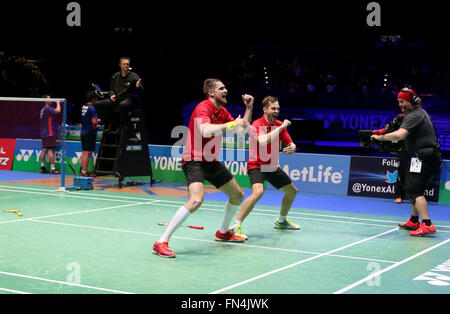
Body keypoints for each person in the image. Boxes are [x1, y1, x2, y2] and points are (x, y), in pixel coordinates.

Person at [153, 78, 254, 258]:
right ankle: (161, 242)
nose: (226, 91)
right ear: (211, 93)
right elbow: (205, 130)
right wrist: (231, 124)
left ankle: (223, 232)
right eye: (222, 88)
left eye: (226, 88)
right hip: (194, 159)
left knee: (237, 195)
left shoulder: (222, 111)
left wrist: (248, 109)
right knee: (196, 200)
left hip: (210, 161)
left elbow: (241, 132)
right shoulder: (203, 107)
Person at [371, 87, 441, 237]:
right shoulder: (414, 114)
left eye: (403, 101)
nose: (400, 104)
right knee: (411, 189)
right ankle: (414, 221)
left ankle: (427, 224)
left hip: (425, 156)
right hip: (418, 156)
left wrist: (381, 138)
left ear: (412, 101)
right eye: (399, 102)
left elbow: (401, 134)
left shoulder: (415, 115)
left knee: (415, 190)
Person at [230, 96, 299, 240]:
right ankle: (235, 226)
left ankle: (281, 221)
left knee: (292, 192)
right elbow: (262, 141)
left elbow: (290, 143)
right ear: (265, 109)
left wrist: (292, 147)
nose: (276, 111)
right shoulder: (257, 124)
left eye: (278, 108)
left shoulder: (279, 124)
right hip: (256, 165)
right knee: (258, 192)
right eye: (273, 108)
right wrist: (281, 127)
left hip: (272, 166)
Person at [95, 57, 143, 133]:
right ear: (120, 65)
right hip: (116, 98)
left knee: (122, 105)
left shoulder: (134, 76)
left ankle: (122, 126)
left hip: (128, 99)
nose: (126, 66)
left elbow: (141, 90)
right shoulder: (115, 76)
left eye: (127, 64)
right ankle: (106, 122)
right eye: (124, 64)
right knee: (97, 104)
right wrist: (112, 95)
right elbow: (111, 90)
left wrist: (137, 86)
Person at [372, 113, 407, 203]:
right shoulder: (400, 117)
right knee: (402, 171)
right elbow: (387, 129)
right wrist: (375, 132)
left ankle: (417, 195)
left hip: (417, 149)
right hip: (404, 148)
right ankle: (399, 195)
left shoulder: (421, 118)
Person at [80, 91, 100, 177]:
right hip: (90, 133)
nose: (96, 100)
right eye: (96, 98)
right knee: (87, 153)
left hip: (83, 132)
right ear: (93, 99)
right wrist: (100, 120)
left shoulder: (83, 106)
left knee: (84, 152)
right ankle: (84, 172)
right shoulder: (92, 108)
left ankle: (83, 171)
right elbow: (94, 121)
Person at [40, 95, 61, 174]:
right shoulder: (47, 108)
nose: (51, 99)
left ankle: (42, 168)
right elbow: (58, 111)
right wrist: (58, 102)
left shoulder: (42, 109)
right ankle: (52, 169)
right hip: (49, 132)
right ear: (46, 100)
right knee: (51, 150)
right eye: (49, 98)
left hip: (43, 132)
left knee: (44, 149)